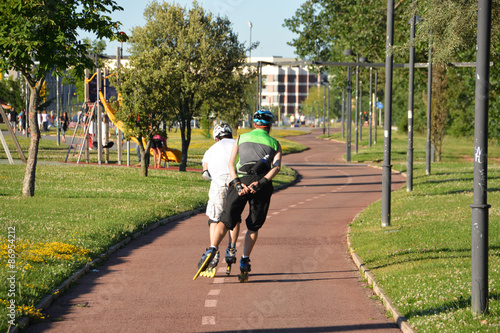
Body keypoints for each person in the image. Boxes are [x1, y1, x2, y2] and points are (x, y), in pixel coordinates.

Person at [196, 110, 282, 282]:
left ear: (254, 124)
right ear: (270, 126)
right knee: (253, 225)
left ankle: (212, 249)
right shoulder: (275, 143)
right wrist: (261, 183)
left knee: (226, 219)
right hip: (260, 185)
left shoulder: (241, 138)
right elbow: (276, 167)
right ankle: (244, 260)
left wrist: (236, 183)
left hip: (240, 180)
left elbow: (231, 163)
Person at [200, 122, 240, 275]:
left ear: (216, 138)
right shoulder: (238, 144)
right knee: (234, 217)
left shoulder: (211, 149)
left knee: (214, 219)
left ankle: (214, 251)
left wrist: (210, 174)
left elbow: (205, 173)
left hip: (219, 185)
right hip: (236, 183)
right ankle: (231, 249)